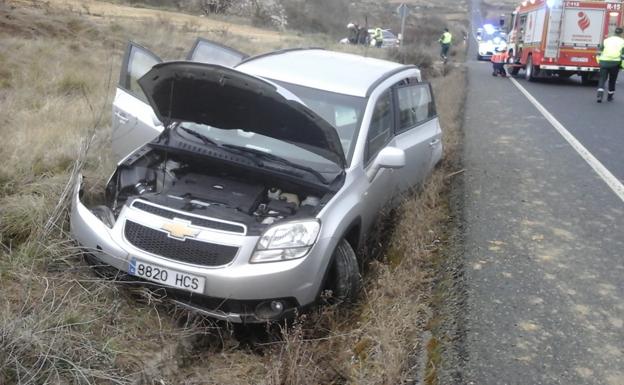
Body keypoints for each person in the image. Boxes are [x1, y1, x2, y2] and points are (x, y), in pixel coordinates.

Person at [596, 27, 624, 103]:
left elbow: (599, 51)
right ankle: (609, 97)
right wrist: (622, 65)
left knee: (602, 79)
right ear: (621, 33)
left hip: (604, 62)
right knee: (612, 80)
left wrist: (599, 61)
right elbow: (623, 55)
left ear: (614, 32)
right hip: (615, 63)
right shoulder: (622, 41)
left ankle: (599, 95)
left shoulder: (606, 40)